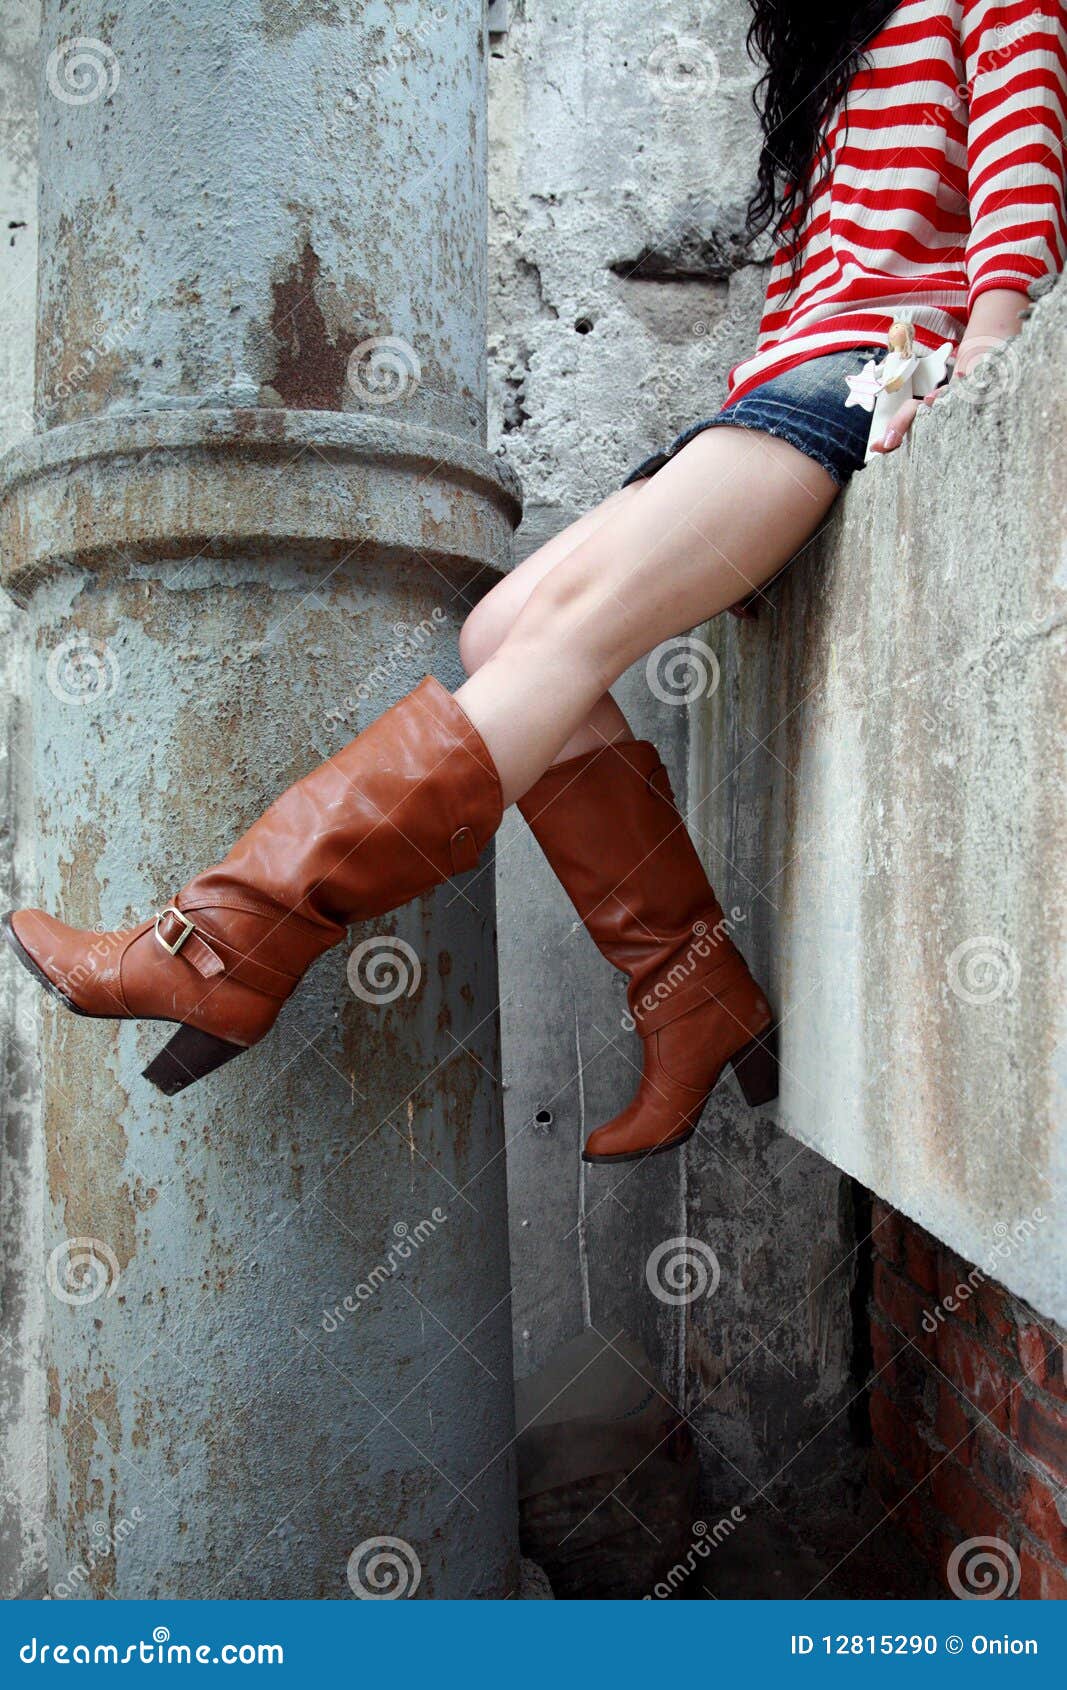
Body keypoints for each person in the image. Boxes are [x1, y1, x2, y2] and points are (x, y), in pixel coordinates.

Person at [6, 1, 1064, 1163]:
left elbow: (1020, 169)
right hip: (784, 387)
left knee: (551, 635)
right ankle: (688, 985)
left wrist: (979, 361)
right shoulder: (841, 33)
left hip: (869, 376)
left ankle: (217, 942)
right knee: (502, 626)